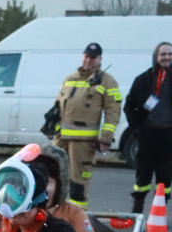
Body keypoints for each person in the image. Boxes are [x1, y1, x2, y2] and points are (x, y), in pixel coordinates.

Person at [124, 42, 172, 213]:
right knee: (143, 173)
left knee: (165, 174)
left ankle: (160, 212)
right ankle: (137, 211)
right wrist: (137, 127)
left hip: (170, 134)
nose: (167, 57)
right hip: (147, 133)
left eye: (170, 54)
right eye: (163, 54)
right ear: (156, 56)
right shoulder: (143, 79)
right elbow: (129, 106)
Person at [51, 42, 121, 207]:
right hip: (62, 138)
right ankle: (55, 214)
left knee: (78, 182)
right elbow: (58, 106)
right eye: (86, 56)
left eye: (93, 58)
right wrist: (52, 128)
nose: (89, 60)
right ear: (82, 56)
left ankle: (77, 218)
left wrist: (106, 138)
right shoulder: (70, 78)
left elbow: (113, 111)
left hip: (83, 141)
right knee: (52, 174)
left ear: (100, 59)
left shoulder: (107, 81)